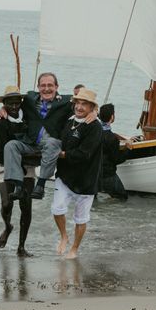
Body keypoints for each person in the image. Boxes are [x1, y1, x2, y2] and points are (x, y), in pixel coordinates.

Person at [3, 73, 75, 201]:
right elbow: (14, 104)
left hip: (52, 144)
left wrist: (93, 111)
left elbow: (83, 105)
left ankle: (40, 185)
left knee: (52, 142)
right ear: (38, 87)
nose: (46, 89)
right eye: (43, 85)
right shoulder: (30, 99)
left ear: (57, 86)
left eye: (50, 85)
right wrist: (3, 108)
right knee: (11, 145)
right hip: (31, 143)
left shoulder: (66, 101)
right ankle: (18, 187)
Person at [51, 88, 102, 259]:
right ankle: (64, 236)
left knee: (81, 218)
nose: (79, 107)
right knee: (57, 209)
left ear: (92, 107)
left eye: (84, 104)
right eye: (78, 103)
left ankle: (74, 248)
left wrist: (62, 154)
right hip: (64, 175)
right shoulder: (69, 120)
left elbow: (85, 153)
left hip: (86, 179)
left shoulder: (95, 126)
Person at [0, 86, 35, 257]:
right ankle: (8, 226)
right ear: (4, 103)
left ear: (21, 102)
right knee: (6, 204)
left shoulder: (29, 118)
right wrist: (15, 165)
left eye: (17, 102)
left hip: (28, 165)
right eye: (10, 103)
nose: (14, 106)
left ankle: (21, 247)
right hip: (6, 166)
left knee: (26, 206)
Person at [98, 103, 129, 200]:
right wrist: (128, 148)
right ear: (112, 117)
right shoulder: (111, 138)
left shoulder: (94, 132)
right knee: (122, 198)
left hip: (92, 174)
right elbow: (117, 159)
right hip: (107, 174)